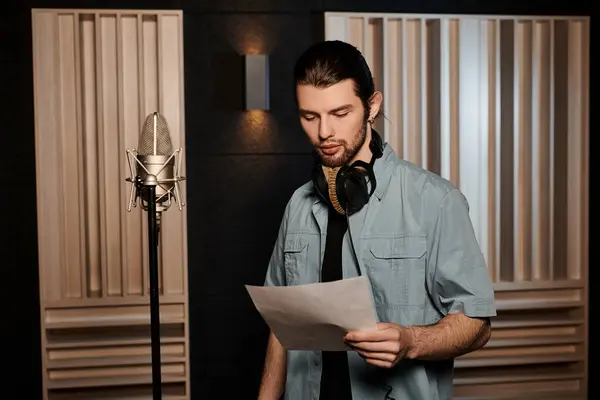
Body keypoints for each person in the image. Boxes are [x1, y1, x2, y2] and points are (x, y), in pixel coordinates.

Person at [257, 40, 496, 400]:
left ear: (372, 107)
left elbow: (477, 325)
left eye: (340, 113)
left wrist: (412, 340)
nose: (324, 132)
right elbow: (281, 325)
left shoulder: (436, 201)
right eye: (310, 116)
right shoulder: (298, 204)